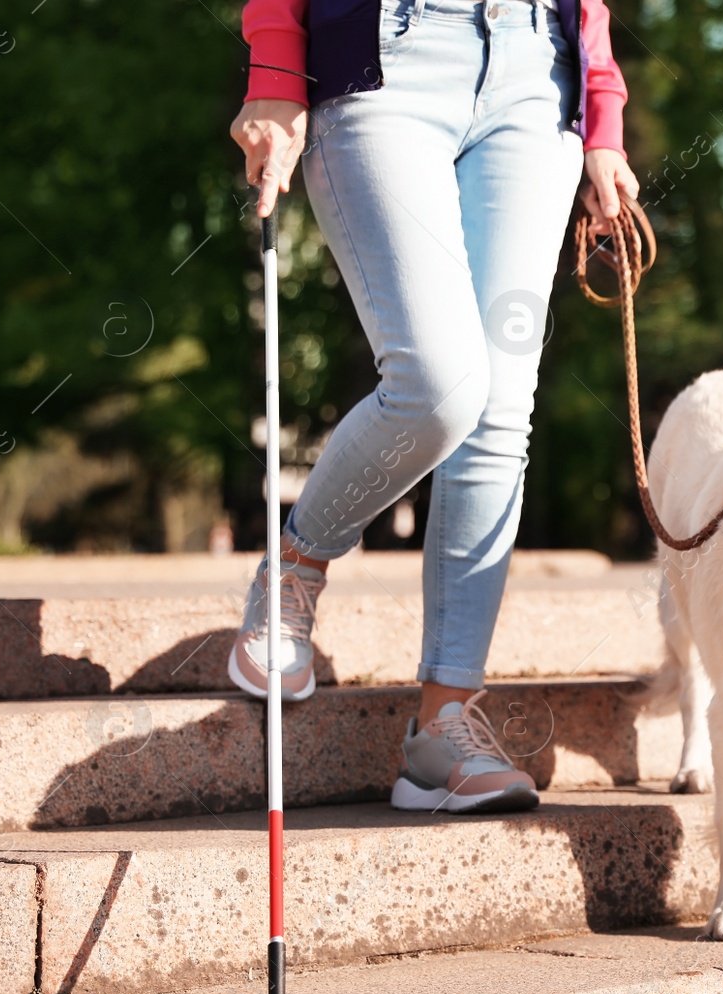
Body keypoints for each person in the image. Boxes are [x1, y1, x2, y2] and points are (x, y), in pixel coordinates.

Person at [227, 0, 638, 813]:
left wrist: (604, 115)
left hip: (536, 72)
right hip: (385, 58)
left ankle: (440, 731)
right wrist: (275, 62)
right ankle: (298, 564)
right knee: (442, 383)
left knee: (501, 410)